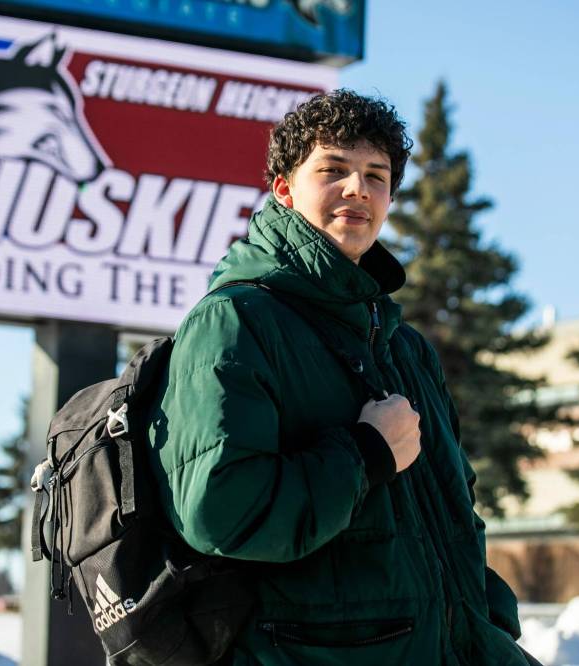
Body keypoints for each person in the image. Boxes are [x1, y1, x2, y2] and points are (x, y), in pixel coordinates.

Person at [146, 89, 532, 665]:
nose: (358, 189)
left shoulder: (404, 347)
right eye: (333, 170)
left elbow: (455, 511)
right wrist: (365, 454)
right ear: (284, 189)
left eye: (377, 176)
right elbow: (220, 513)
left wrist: (491, 618)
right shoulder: (236, 321)